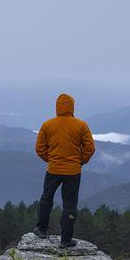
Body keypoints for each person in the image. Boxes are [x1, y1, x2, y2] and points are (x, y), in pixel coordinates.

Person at [34, 93, 96, 248]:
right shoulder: (81, 125)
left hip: (53, 170)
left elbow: (39, 149)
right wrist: (80, 161)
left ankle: (42, 229)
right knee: (70, 204)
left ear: (57, 107)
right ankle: (66, 239)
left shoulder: (47, 125)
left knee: (46, 198)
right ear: (72, 107)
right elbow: (90, 148)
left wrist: (51, 160)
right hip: (73, 172)